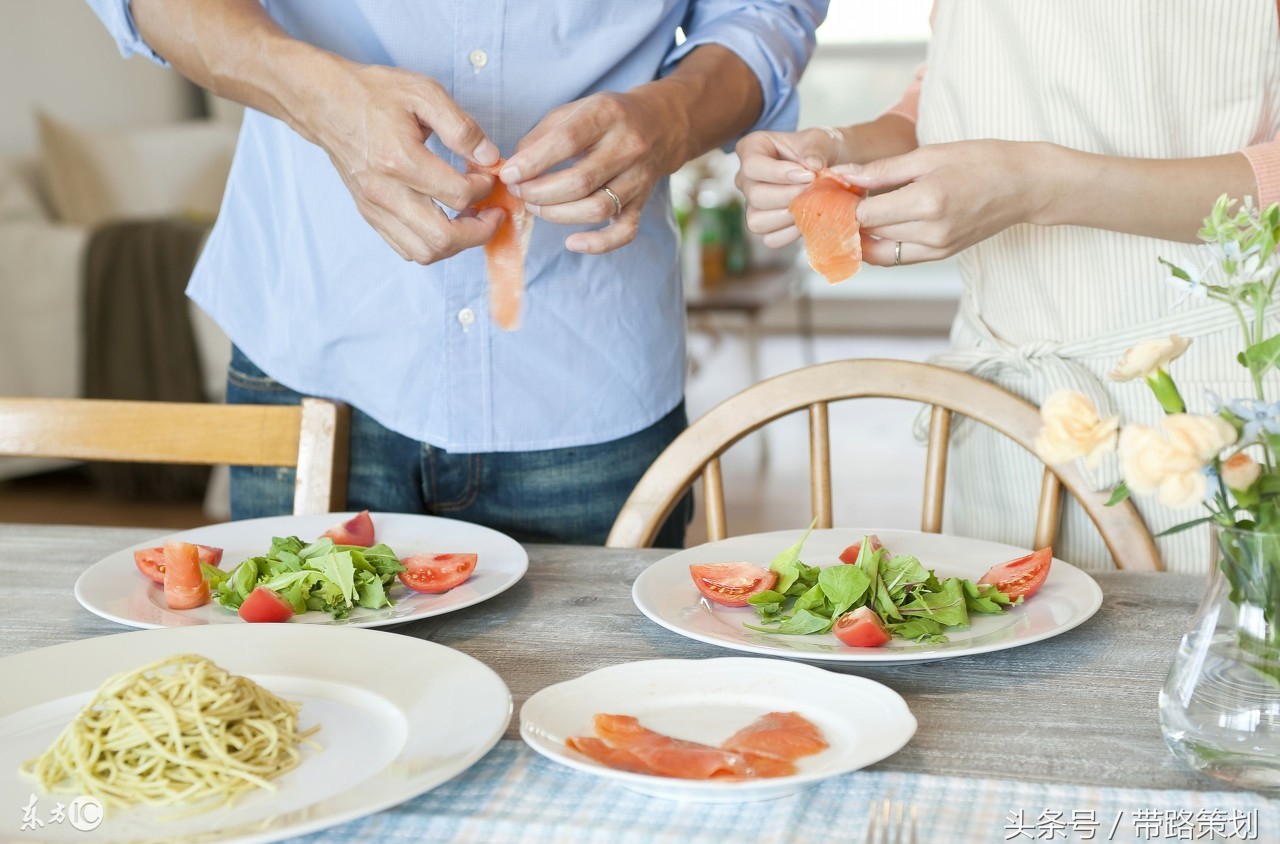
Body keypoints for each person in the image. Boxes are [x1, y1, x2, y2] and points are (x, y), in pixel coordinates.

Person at [86, 0, 829, 546]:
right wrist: (322, 99)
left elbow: (766, 11)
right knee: (309, 727)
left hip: (586, 373)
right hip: (315, 347)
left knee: (599, 732)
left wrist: (670, 115)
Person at [736, 1, 1280, 574]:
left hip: (1209, 394)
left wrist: (1037, 187)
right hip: (1008, 406)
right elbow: (954, 91)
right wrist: (840, 148)